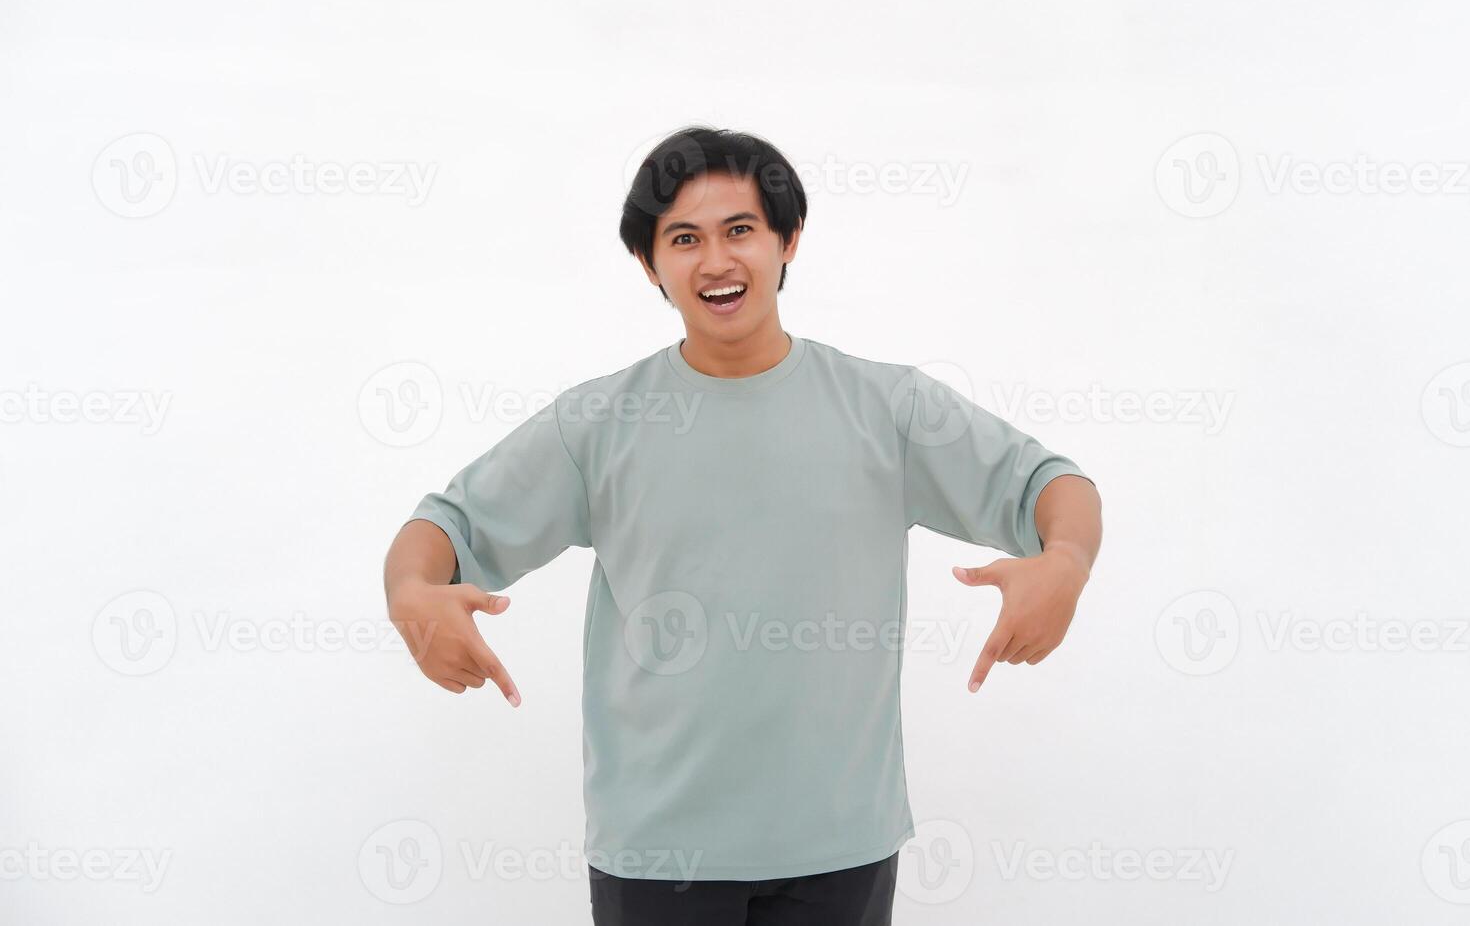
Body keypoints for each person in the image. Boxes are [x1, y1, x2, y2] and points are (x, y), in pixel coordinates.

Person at [383, 126, 1103, 925]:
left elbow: (1052, 484)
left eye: (740, 231)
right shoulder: (598, 423)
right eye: (683, 238)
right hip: (658, 854)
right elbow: (445, 525)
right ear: (648, 263)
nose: (716, 262)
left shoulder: (888, 411)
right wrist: (413, 593)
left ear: (788, 240)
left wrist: (1065, 560)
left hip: (841, 847)